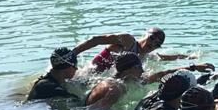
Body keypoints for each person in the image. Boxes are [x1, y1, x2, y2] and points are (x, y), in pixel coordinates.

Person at [84, 53, 209, 110]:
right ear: (130, 69)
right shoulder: (115, 89)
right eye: (139, 67)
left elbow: (161, 74)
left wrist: (193, 67)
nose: (143, 70)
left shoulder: (129, 81)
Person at [71, 27, 202, 72]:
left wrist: (189, 57)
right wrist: (73, 53)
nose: (153, 44)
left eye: (157, 44)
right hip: (88, 72)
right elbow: (96, 39)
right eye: (152, 38)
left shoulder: (144, 57)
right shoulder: (127, 40)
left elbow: (166, 57)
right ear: (144, 35)